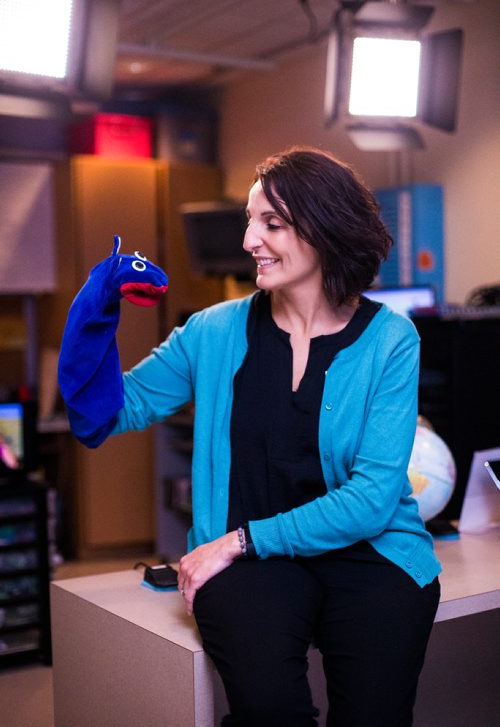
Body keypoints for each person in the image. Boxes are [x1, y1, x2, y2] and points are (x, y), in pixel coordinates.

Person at [64, 147, 441, 726]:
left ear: (326, 230)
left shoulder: (391, 339)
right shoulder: (213, 330)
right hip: (250, 568)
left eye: (272, 223)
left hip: (368, 553)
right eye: (250, 220)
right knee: (270, 712)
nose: (248, 241)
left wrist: (240, 539)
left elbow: (371, 500)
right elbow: (110, 412)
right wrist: (94, 317)